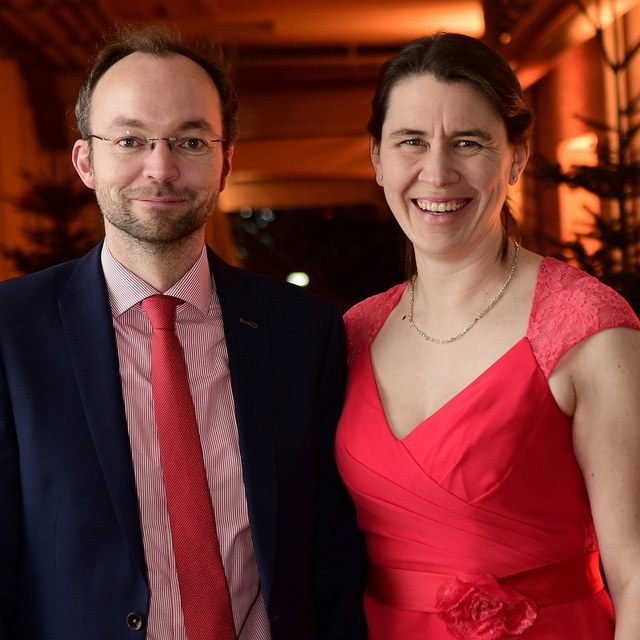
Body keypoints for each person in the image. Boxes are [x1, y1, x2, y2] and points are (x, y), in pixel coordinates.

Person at [0, 25, 367, 640]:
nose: (161, 168)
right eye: (130, 140)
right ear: (86, 161)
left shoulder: (305, 332)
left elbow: (330, 554)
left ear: (226, 162)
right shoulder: (11, 332)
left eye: (190, 141)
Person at [334, 32, 640, 639]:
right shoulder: (353, 331)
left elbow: (636, 569)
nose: (437, 172)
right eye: (411, 141)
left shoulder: (587, 326)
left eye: (468, 142)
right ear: (377, 159)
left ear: (516, 158)